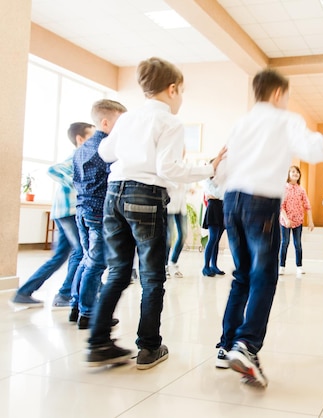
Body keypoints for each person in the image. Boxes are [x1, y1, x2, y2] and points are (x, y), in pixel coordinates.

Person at [215, 68, 323, 388]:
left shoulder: (240, 123)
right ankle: (247, 345)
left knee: (241, 276)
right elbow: (313, 147)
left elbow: (222, 167)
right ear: (278, 94)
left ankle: (226, 345)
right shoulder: (284, 119)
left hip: (231, 201)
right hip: (260, 203)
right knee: (264, 277)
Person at [85, 57, 225, 370]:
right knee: (152, 277)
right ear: (172, 89)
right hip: (145, 195)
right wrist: (208, 168)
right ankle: (148, 347)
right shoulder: (171, 122)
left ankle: (98, 343)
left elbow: (105, 152)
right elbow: (168, 168)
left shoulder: (128, 118)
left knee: (118, 271)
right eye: (182, 91)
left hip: (114, 195)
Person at [11, 122, 94, 308]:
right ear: (80, 139)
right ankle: (64, 295)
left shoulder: (83, 156)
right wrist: (78, 186)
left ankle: (24, 292)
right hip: (69, 212)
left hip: (65, 212)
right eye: (92, 136)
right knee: (81, 252)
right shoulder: (77, 155)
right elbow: (54, 169)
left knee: (61, 256)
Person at [72, 100, 127, 329]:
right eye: (120, 123)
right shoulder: (106, 149)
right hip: (98, 212)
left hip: (81, 210)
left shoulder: (81, 148)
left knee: (87, 259)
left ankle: (76, 305)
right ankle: (88, 313)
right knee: (97, 263)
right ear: (105, 122)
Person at [279, 165, 314, 276]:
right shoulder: (284, 188)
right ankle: (281, 266)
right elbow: (281, 206)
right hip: (286, 222)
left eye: (297, 172)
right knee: (284, 243)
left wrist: (311, 220)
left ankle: (299, 266)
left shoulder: (301, 189)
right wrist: (286, 219)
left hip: (298, 221)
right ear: (288, 174)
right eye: (293, 172)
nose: (295, 174)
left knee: (297, 244)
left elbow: (307, 205)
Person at [202, 175, 225, 277]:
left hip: (222, 207)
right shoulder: (208, 180)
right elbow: (218, 193)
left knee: (217, 240)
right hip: (213, 208)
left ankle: (214, 265)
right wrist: (219, 194)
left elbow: (222, 194)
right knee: (213, 238)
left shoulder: (223, 180)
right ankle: (206, 267)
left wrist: (219, 195)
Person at [166, 182, 188, 278]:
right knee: (169, 237)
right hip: (169, 205)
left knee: (183, 235)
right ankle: (165, 265)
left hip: (181, 206)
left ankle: (173, 262)